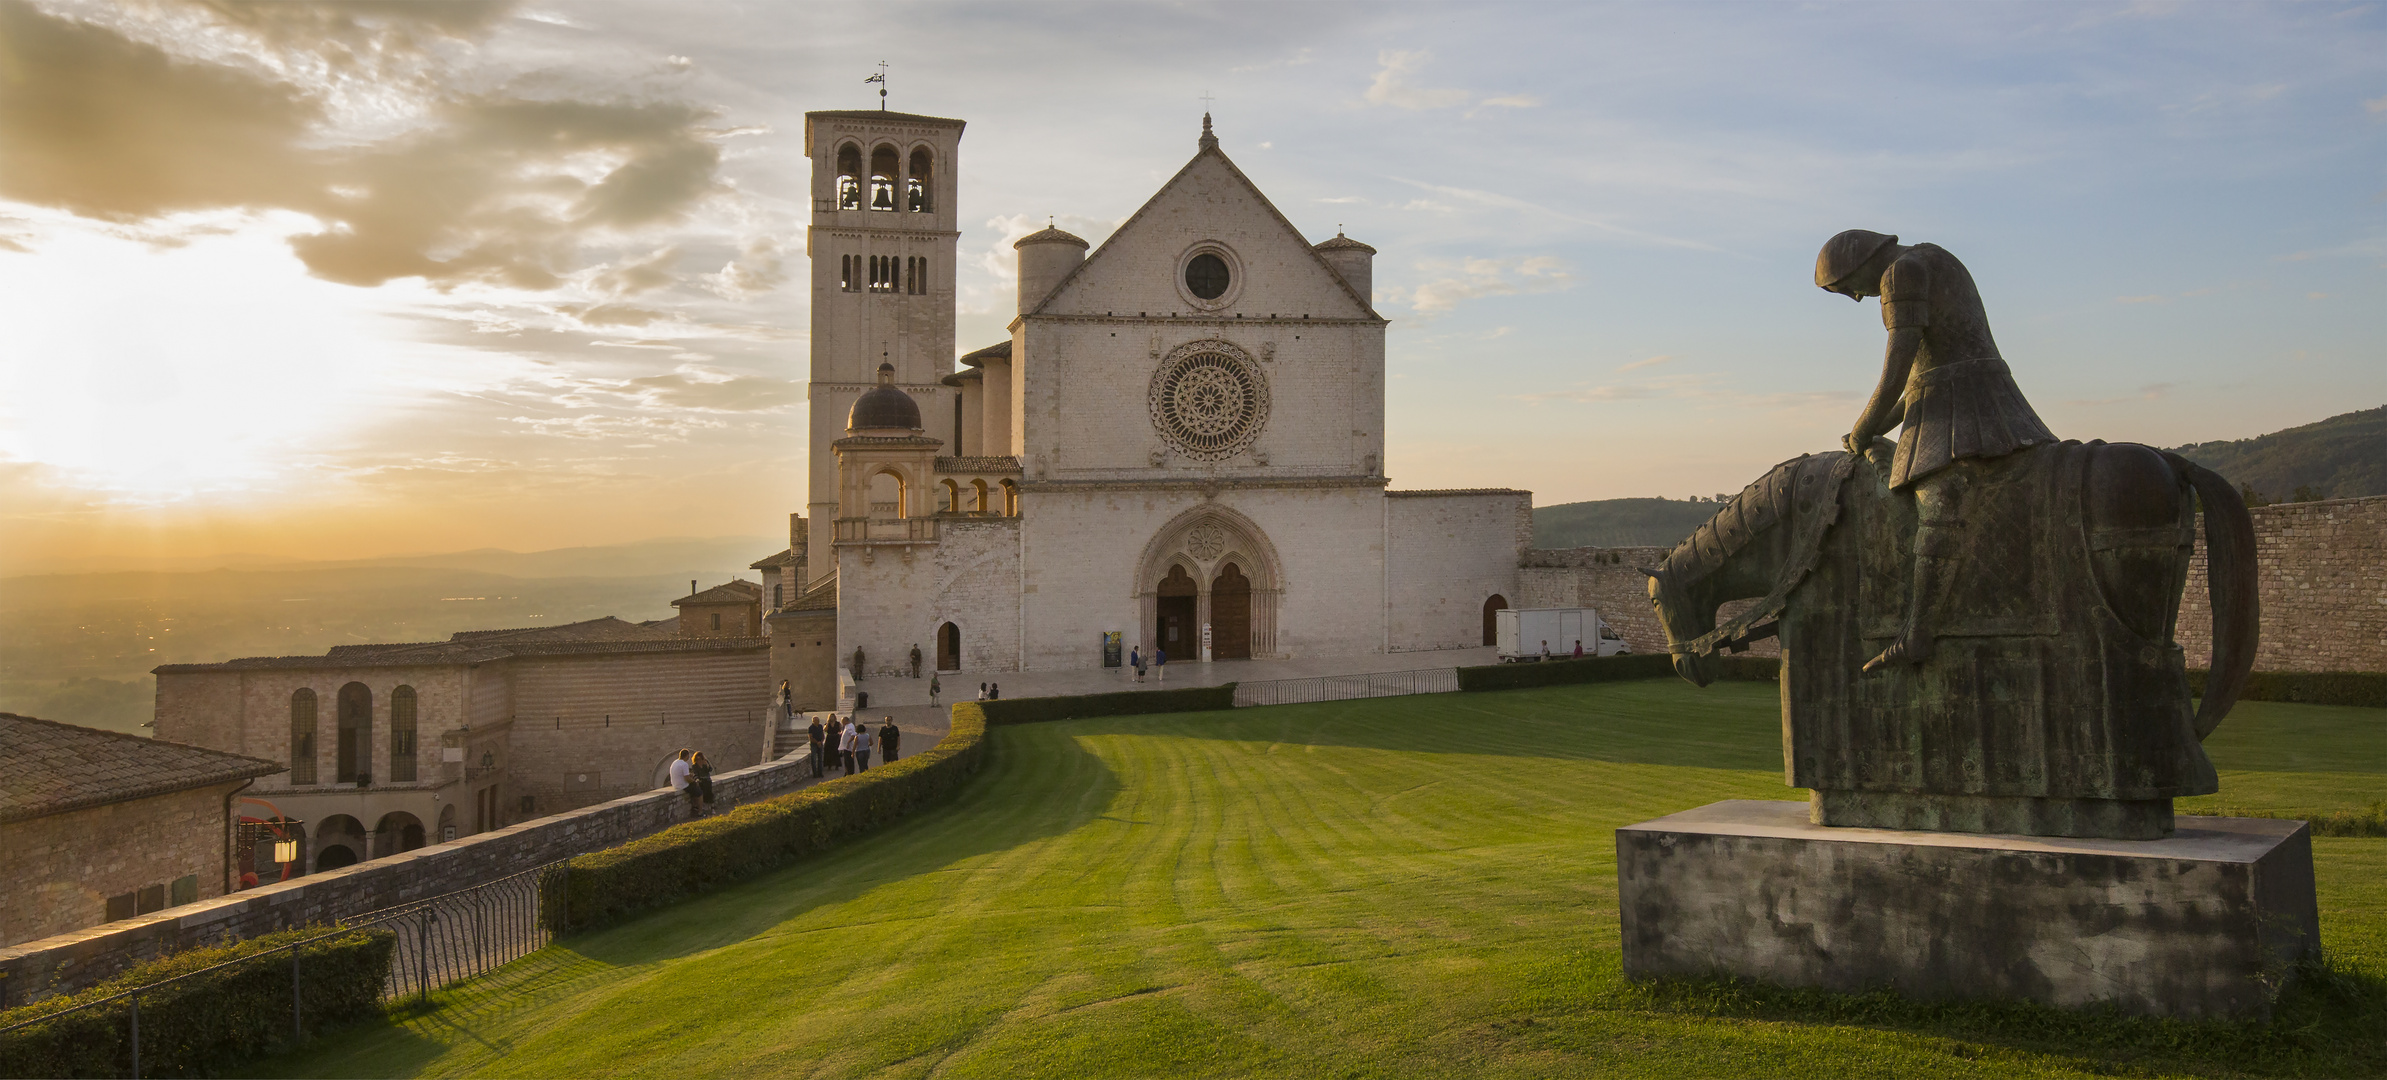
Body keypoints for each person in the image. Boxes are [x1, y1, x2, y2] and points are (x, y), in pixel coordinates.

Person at [1815, 229, 2055, 673]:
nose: (1854, 297)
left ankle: (1917, 633)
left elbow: (1897, 369)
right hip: (1953, 394)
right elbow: (1916, 385)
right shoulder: (1927, 258)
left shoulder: (1900, 273)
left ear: (1857, 265)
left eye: (1846, 287)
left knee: (1938, 501)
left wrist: (1864, 427)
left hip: (1967, 402)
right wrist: (1866, 431)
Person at [689, 751, 715, 815]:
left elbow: (710, 770)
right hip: (701, 781)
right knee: (703, 794)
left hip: (707, 780)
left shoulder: (705, 764)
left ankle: (712, 808)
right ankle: (703, 808)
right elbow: (695, 774)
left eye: (700, 759)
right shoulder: (694, 766)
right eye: (697, 759)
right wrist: (697, 779)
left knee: (709, 794)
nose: (699, 760)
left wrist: (707, 765)